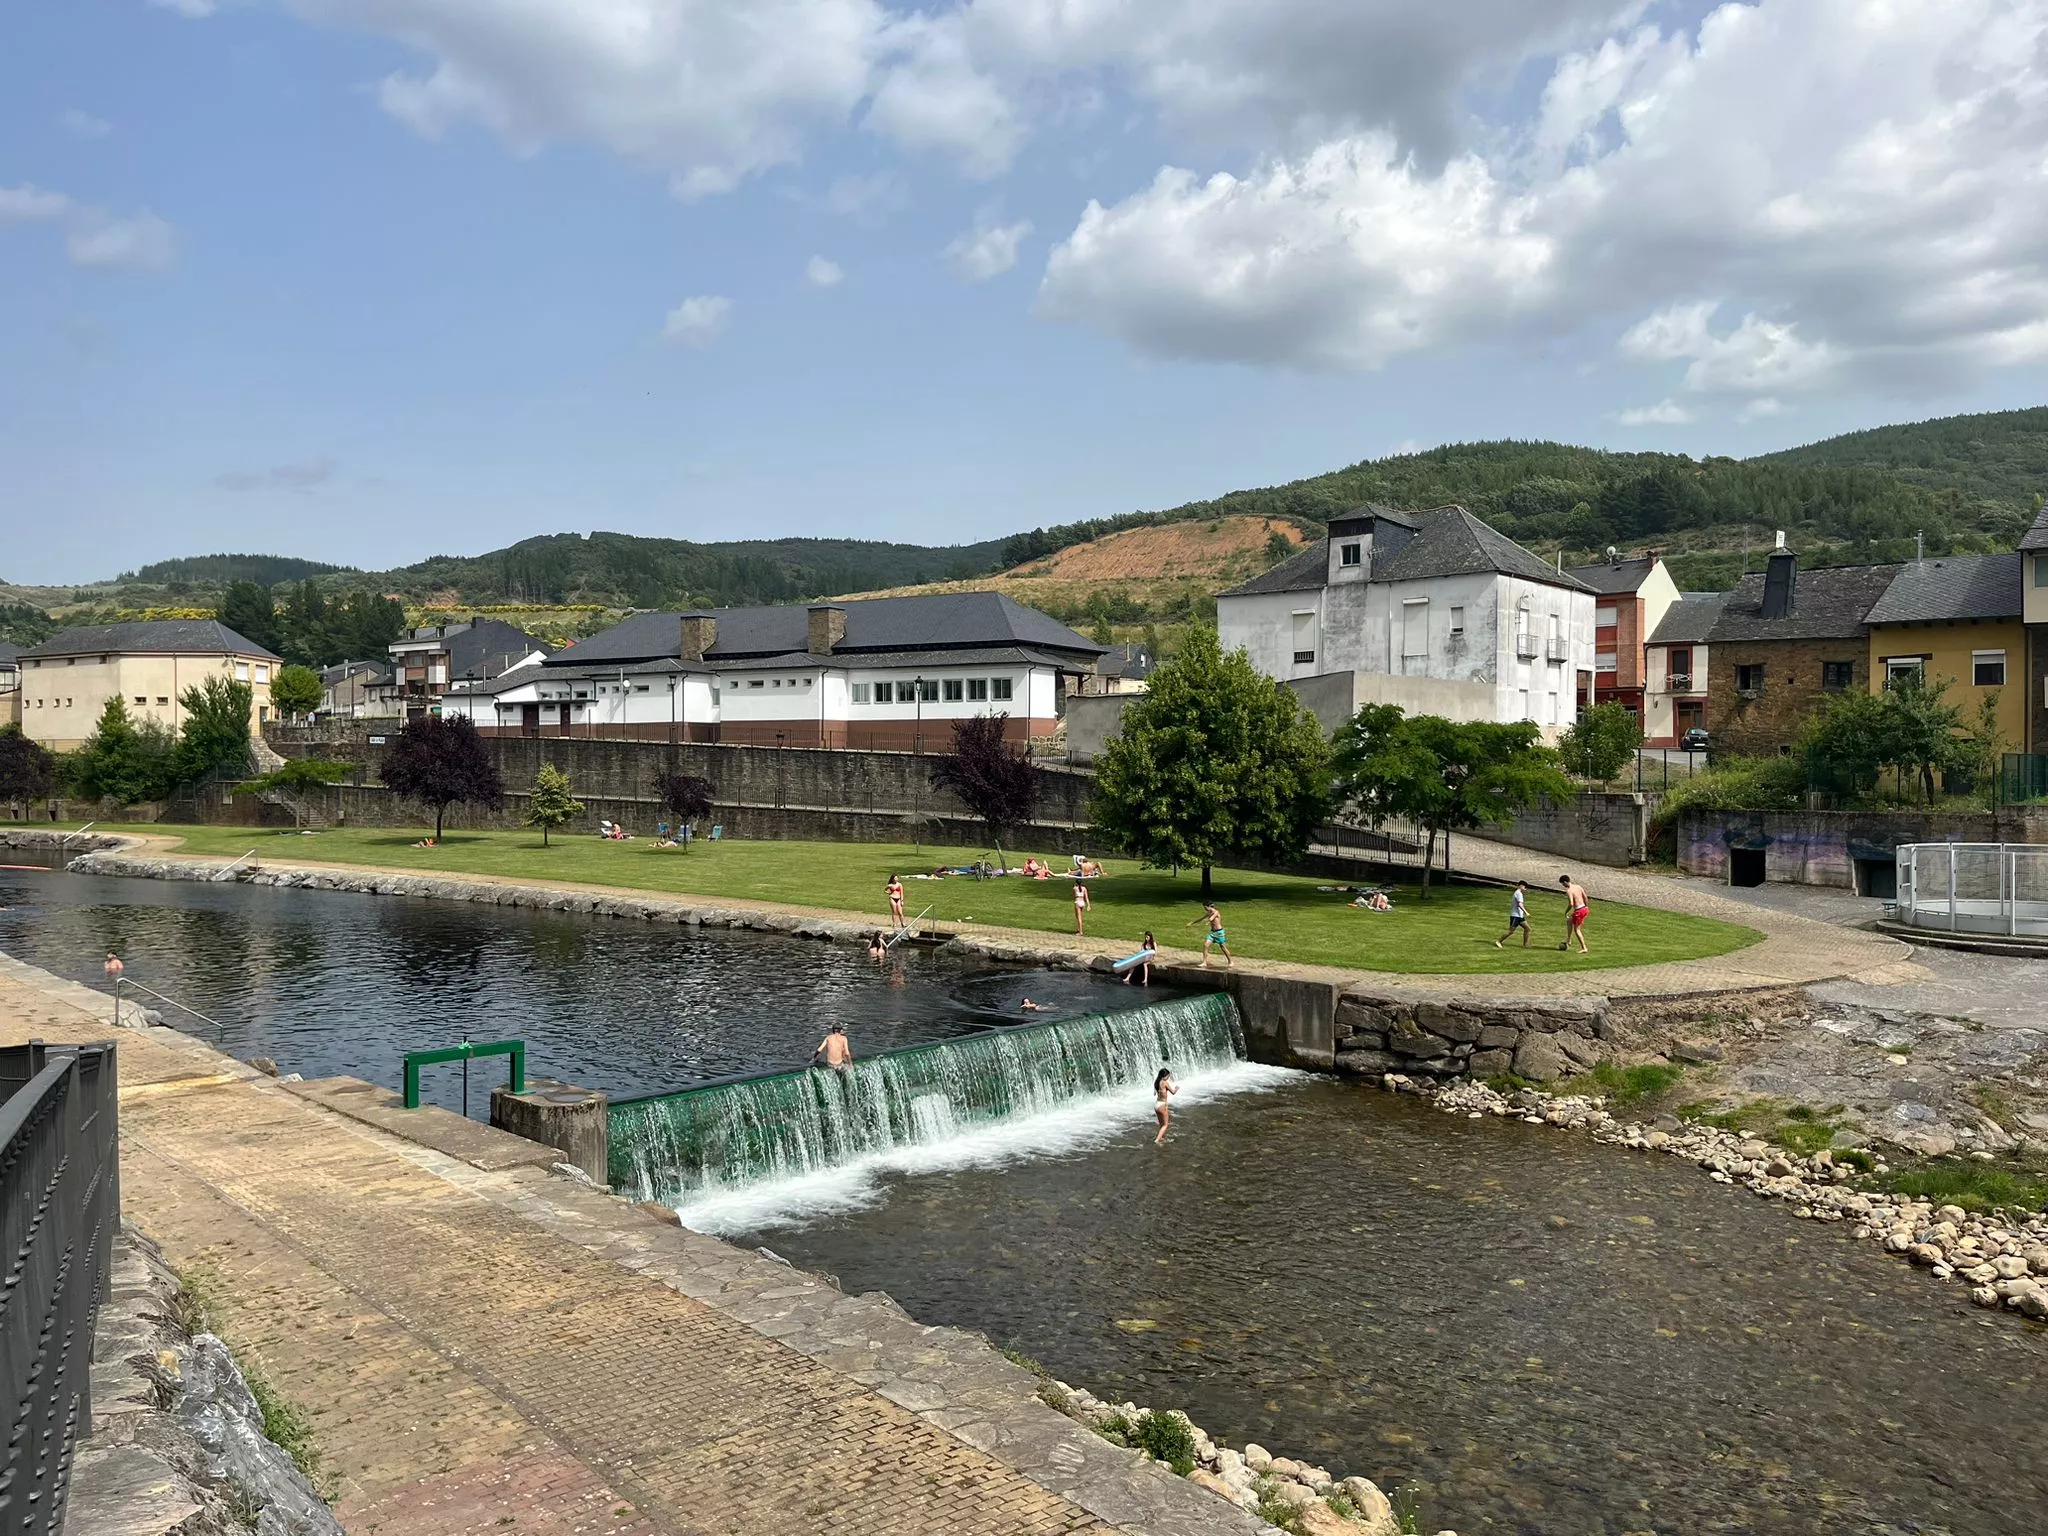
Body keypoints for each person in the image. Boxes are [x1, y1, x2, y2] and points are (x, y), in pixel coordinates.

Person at [1189, 903, 1231, 968]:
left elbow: (1212, 918)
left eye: (1205, 907)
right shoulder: (1208, 913)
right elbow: (1200, 919)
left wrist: (1208, 921)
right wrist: (1191, 923)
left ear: (1209, 906)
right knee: (1206, 945)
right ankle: (1204, 962)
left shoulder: (1216, 912)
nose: (1205, 909)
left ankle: (1230, 961)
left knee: (1223, 947)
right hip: (1212, 933)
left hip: (1219, 932)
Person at [1559, 874, 1591, 954]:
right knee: (1569, 921)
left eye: (1563, 884)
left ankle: (1584, 948)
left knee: (1577, 929)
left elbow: (1571, 904)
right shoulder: (1578, 886)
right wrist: (1586, 907)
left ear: (1565, 882)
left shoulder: (1569, 891)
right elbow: (1585, 897)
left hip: (1579, 911)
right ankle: (1568, 940)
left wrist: (1566, 912)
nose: (1563, 886)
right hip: (1584, 908)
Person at [1496, 881, 1531, 948]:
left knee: (1527, 929)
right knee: (1510, 931)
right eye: (1525, 887)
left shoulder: (1518, 893)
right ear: (1521, 886)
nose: (1525, 889)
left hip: (1520, 916)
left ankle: (1525, 945)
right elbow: (1520, 904)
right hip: (1515, 916)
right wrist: (1526, 912)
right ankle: (1499, 941)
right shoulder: (1518, 894)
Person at [1152, 1066, 1178, 1145]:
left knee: (1161, 1125)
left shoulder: (1157, 1082)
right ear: (1165, 1076)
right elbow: (1173, 1092)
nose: (1168, 1077)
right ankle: (1156, 1141)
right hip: (1162, 1105)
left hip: (1157, 1105)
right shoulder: (1164, 1082)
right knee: (1165, 1125)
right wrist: (1176, 1088)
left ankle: (1161, 1139)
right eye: (1168, 1076)